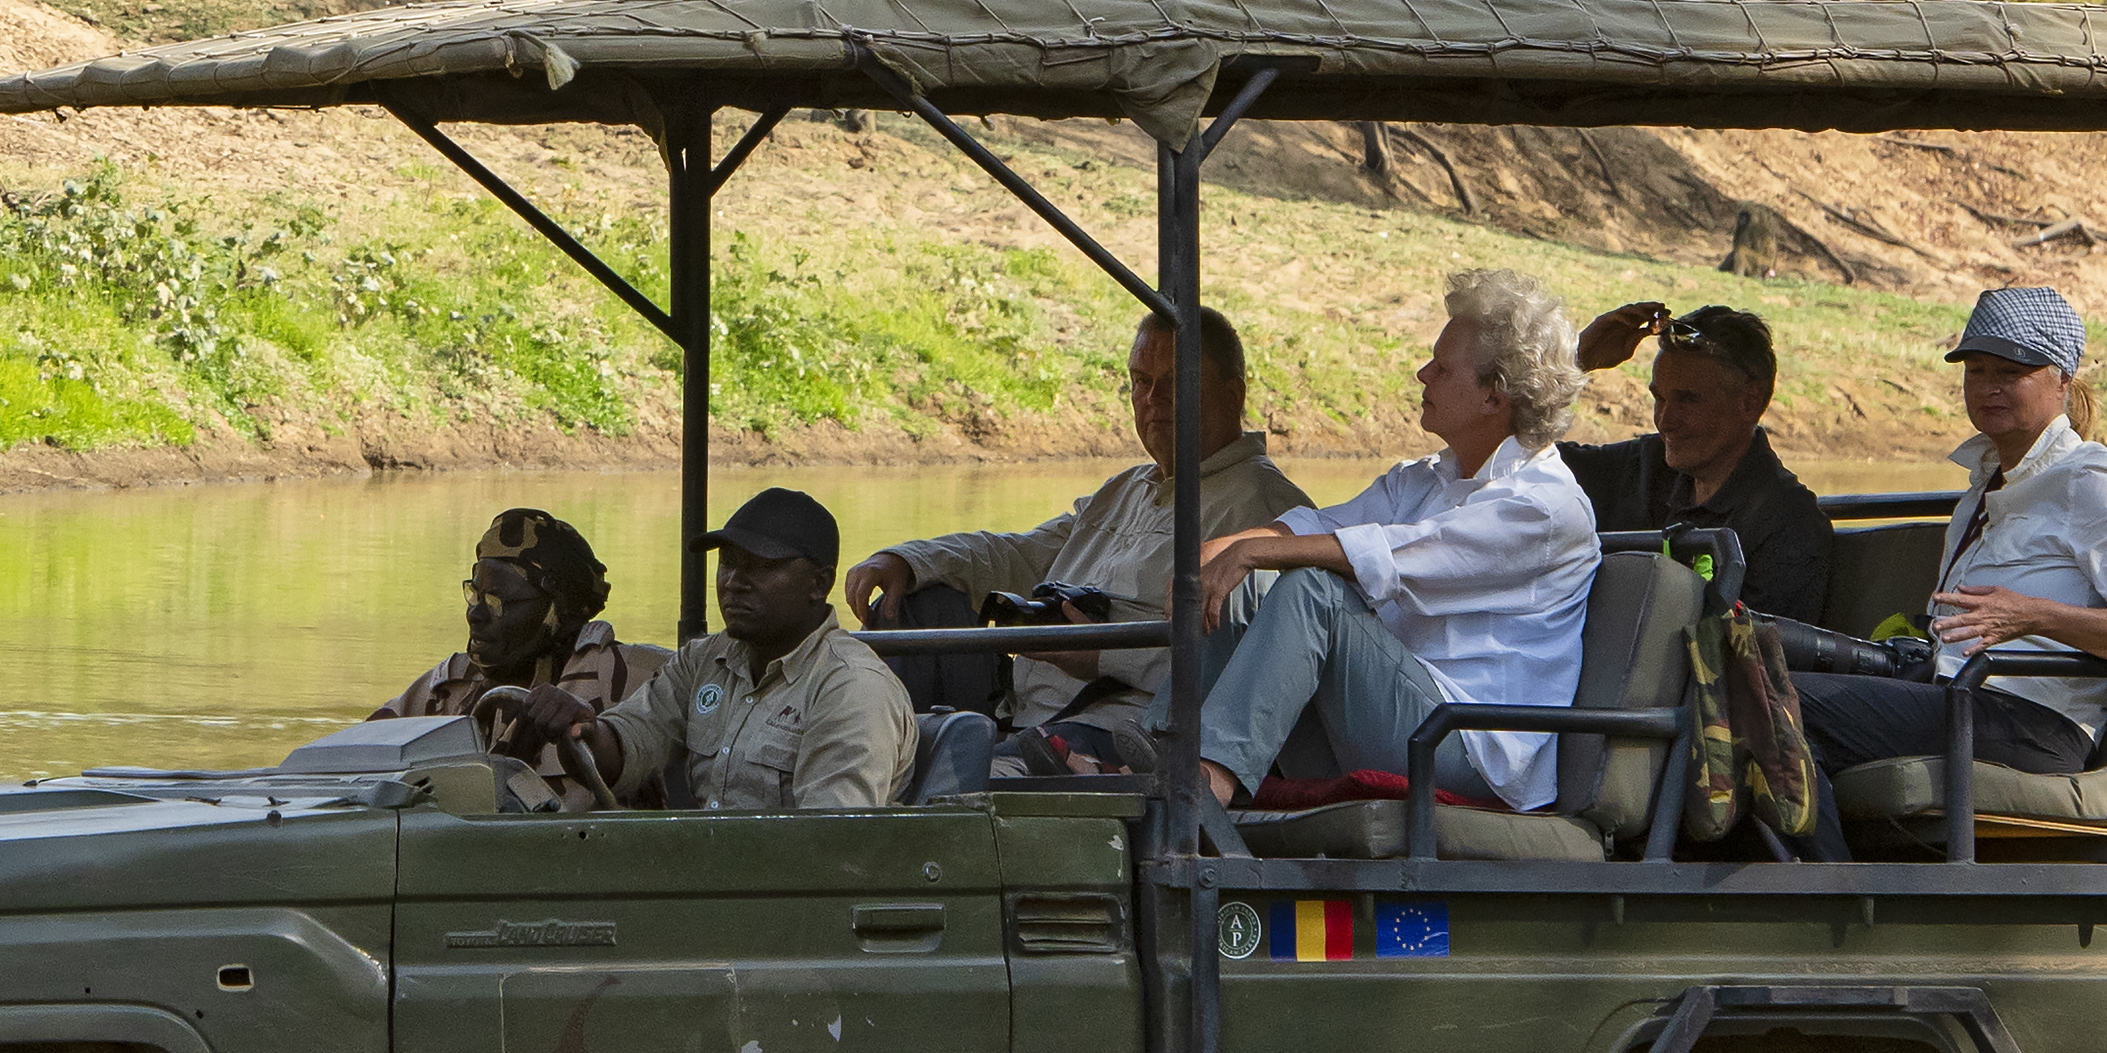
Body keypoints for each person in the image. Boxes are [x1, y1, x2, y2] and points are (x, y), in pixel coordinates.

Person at [1177, 269, 1602, 818]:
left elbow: (1388, 554)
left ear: (1495, 396)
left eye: (1443, 368)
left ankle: (1204, 780)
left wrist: (1249, 553)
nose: (1422, 373)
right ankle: (1161, 753)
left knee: (1313, 589)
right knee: (1242, 591)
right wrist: (1215, 554)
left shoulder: (1545, 507)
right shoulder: (1424, 479)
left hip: (1471, 746)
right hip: (1404, 718)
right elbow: (1318, 523)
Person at [1771, 284, 2107, 827]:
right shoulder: (1981, 489)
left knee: (1784, 703)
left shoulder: (2090, 476)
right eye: (1976, 371)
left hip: (2031, 723)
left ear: (2062, 378)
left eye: (2011, 372)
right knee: (1753, 676)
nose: (1989, 387)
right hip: (1956, 696)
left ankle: (1817, 892)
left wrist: (2034, 616)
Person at [850, 307, 1298, 761]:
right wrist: (908, 560)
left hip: (1119, 727)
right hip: (1018, 703)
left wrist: (1103, 655)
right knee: (915, 602)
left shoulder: (1271, 513)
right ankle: (868, 758)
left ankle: (927, 774)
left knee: (1008, 758)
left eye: (1176, 382)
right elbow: (1021, 554)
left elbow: (1253, 663)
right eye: (1141, 381)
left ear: (1232, 396)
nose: (1153, 398)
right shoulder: (1124, 489)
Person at [485, 485, 916, 815]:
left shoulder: (852, 689)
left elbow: (828, 845)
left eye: (761, 567)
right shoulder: (705, 660)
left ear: (819, 584)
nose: (733, 582)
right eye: (728, 563)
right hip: (709, 883)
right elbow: (632, 742)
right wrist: (583, 729)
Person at [1563, 299, 1838, 632]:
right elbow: (1502, 453)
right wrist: (1572, 363)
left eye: (1688, 400)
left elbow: (1760, 670)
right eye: (1659, 399)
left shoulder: (1787, 523)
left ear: (1749, 402)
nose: (1665, 422)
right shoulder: (1643, 465)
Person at [384, 508, 656, 815]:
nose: (475, 614)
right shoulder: (449, 690)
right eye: (475, 594)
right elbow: (356, 759)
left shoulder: (622, 676)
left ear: (557, 610)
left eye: (498, 601)